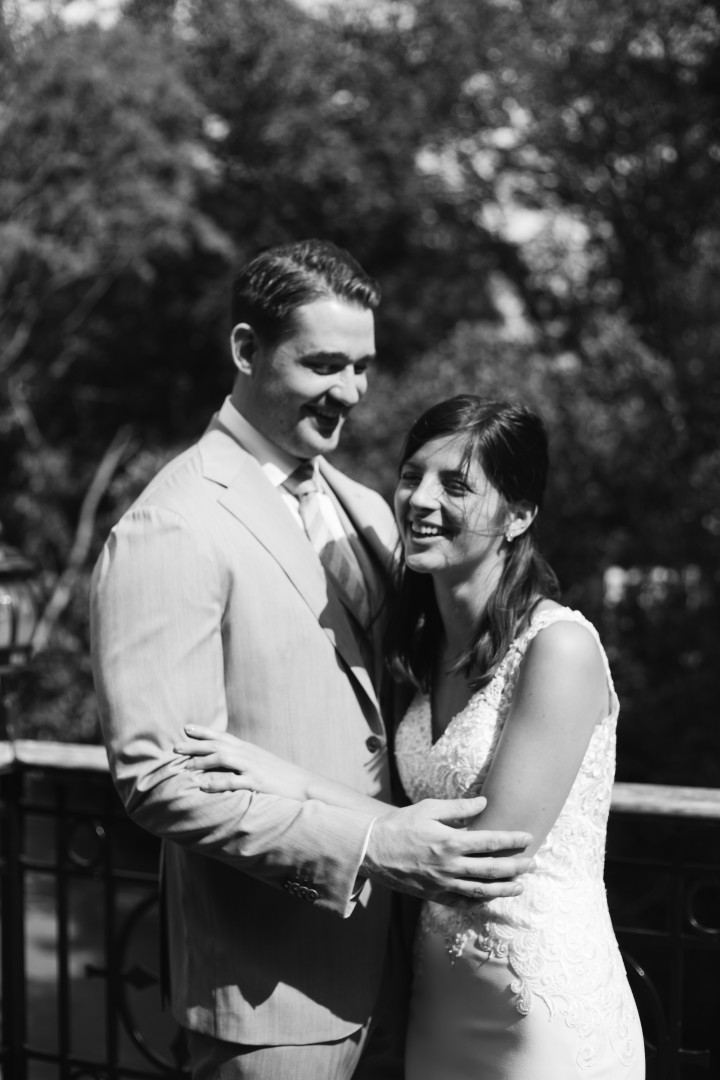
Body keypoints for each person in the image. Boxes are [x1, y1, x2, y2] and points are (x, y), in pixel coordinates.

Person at [90, 244, 533, 1080]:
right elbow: (159, 779)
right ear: (246, 350)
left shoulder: (366, 505)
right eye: (325, 364)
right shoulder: (172, 524)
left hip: (410, 975)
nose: (353, 392)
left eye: (363, 366)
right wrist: (368, 846)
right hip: (271, 997)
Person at [176, 394, 646, 1078]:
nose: (420, 499)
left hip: (538, 1013)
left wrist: (287, 781)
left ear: (519, 516)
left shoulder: (560, 649)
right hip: (437, 1002)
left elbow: (478, 860)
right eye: (411, 475)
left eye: (456, 485)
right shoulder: (425, 652)